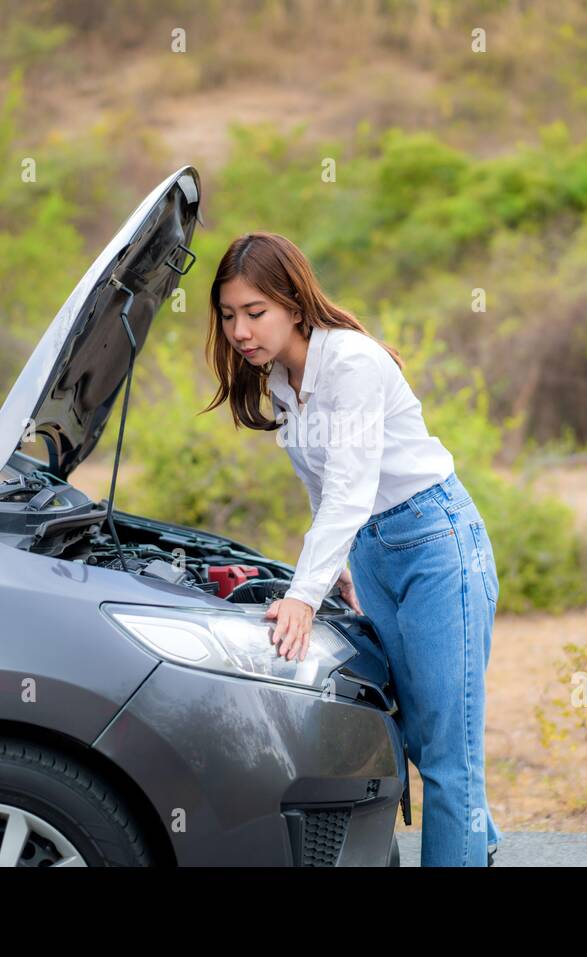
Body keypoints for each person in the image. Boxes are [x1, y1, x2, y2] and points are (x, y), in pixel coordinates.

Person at [202, 231, 502, 867]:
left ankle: (466, 842)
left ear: (294, 303)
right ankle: (479, 837)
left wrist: (301, 597)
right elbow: (322, 489)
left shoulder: (354, 365)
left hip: (435, 545)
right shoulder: (284, 378)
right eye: (229, 315)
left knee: (450, 754)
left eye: (255, 312)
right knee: (418, 730)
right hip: (372, 551)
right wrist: (336, 569)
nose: (241, 331)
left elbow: (350, 487)